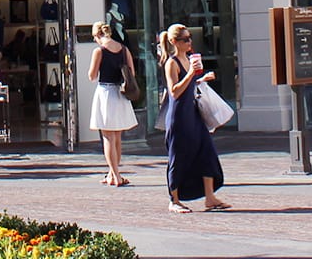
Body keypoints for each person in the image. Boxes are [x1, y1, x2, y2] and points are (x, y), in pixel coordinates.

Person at [156, 24, 229, 213]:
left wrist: (201, 78)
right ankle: (174, 200)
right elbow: (174, 91)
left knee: (206, 151)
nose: (189, 42)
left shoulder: (189, 59)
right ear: (174, 42)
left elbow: (189, 85)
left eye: (190, 38)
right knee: (178, 157)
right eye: (185, 39)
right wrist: (190, 74)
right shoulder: (171, 63)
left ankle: (210, 197)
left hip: (193, 113)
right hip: (179, 116)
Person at [87, 23, 138, 186]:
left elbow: (92, 75)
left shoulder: (99, 51)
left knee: (108, 137)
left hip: (106, 93)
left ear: (96, 36)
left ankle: (115, 175)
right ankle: (113, 173)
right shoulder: (124, 49)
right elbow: (132, 73)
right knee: (117, 137)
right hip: (121, 94)